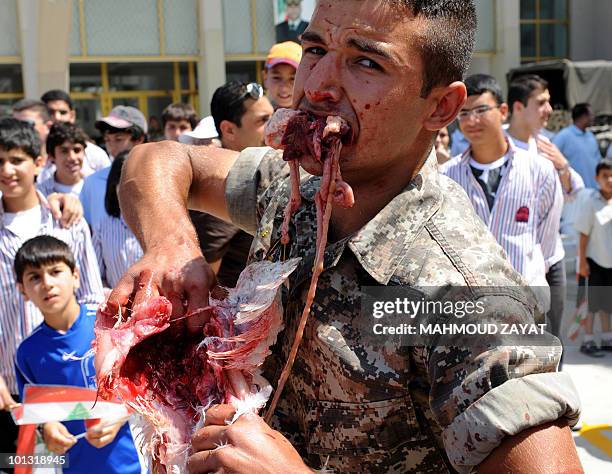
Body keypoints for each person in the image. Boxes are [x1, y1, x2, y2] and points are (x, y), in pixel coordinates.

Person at [111, 2, 581, 473]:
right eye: (314, 49)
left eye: (366, 62)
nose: (314, 87)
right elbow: (158, 160)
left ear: (441, 106)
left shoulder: (465, 298)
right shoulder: (295, 185)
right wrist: (172, 244)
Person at [0, 118, 103, 464]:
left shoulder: (67, 220)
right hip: (11, 388)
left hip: (72, 383)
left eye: (16, 160)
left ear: (39, 162)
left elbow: (91, 295)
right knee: (15, 465)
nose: (7, 170)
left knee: (75, 463)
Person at [13, 236, 147, 473]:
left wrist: (121, 415)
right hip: (76, 466)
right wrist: (47, 428)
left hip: (133, 463)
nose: (47, 283)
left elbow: (146, 386)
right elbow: (36, 415)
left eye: (55, 272)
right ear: (22, 290)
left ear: (75, 276)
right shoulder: (27, 353)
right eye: (34, 277)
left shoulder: (109, 323)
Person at [442, 74, 563, 299]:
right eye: (464, 113)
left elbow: (547, 246)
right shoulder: (448, 176)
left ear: (504, 111)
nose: (472, 120)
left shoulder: (539, 171)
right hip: (470, 308)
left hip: (527, 306)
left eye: (480, 110)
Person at [505, 74, 585, 363]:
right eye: (541, 103)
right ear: (517, 107)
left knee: (553, 337)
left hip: (551, 257)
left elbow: (576, 189)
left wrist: (562, 166)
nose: (549, 110)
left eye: (549, 102)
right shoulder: (497, 146)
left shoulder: (547, 146)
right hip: (514, 261)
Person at [192, 81, 273, 287]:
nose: (275, 126)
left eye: (273, 116)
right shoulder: (224, 184)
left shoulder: (265, 173)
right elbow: (203, 285)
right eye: (263, 121)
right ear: (229, 130)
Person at [80, 105, 147, 231]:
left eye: (118, 139)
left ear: (139, 139)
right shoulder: (92, 182)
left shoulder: (157, 179)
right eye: (107, 140)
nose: (111, 147)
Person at [574, 159, 612, 357]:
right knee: (591, 305)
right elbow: (583, 235)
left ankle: (607, 338)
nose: (610, 180)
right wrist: (581, 262)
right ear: (597, 178)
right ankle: (587, 341)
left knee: (607, 303)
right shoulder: (591, 202)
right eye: (605, 176)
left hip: (610, 264)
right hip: (593, 262)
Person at [93, 152, 143, 290]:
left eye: (134, 186)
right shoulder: (103, 227)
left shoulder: (161, 226)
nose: (129, 193)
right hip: (115, 307)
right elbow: (96, 275)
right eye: (122, 186)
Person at [40, 89, 110, 177]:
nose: (57, 118)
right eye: (50, 112)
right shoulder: (33, 151)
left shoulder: (94, 154)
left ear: (72, 115)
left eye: (63, 112)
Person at [553, 103, 602, 189]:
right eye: (590, 115)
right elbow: (551, 157)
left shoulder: (590, 136)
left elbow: (598, 160)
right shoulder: (564, 136)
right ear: (582, 116)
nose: (593, 118)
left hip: (595, 189)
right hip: (576, 191)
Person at [37, 122, 88, 200]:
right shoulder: (41, 193)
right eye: (64, 151)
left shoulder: (97, 185)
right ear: (51, 156)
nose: (72, 158)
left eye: (77, 150)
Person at [263, 41, 302, 110]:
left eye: (293, 79)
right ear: (265, 77)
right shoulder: (256, 115)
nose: (284, 88)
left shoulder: (319, 116)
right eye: (276, 78)